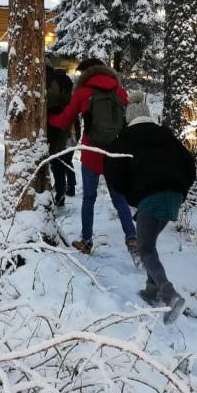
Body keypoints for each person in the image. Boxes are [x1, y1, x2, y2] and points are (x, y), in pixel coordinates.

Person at [105, 115, 196, 324]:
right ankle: (151, 290)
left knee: (145, 249)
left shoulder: (123, 140)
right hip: (174, 196)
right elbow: (190, 167)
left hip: (150, 197)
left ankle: (169, 295)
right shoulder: (168, 137)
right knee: (149, 243)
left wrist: (131, 193)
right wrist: (179, 188)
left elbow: (113, 174)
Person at [48, 58, 136, 256]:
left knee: (89, 198)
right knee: (119, 199)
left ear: (87, 74)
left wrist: (46, 117)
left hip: (91, 153)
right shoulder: (120, 92)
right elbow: (128, 120)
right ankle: (132, 237)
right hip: (114, 151)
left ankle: (86, 241)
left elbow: (63, 121)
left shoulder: (82, 93)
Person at [45, 64, 76, 205]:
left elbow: (49, 103)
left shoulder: (50, 82)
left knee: (54, 160)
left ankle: (58, 193)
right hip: (68, 123)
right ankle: (63, 191)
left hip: (53, 124)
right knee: (62, 160)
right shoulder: (67, 82)